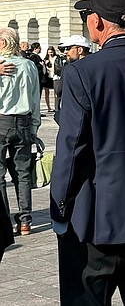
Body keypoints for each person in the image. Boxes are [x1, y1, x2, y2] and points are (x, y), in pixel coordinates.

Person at [51, 0, 125, 306]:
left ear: (97, 22)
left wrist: (59, 207)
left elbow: (71, 148)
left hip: (94, 219)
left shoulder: (82, 72)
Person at [0, 27, 40, 235]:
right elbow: (35, 98)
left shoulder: (0, 65)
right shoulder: (29, 65)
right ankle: (25, 221)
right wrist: (34, 127)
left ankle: (5, 221)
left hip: (1, 120)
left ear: (3, 43)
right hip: (23, 121)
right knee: (23, 174)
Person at [43, 45, 57, 112]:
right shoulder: (45, 59)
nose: (50, 54)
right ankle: (48, 107)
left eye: (51, 52)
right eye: (49, 52)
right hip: (47, 76)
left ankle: (55, 106)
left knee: (55, 92)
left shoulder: (56, 58)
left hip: (54, 76)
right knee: (46, 92)